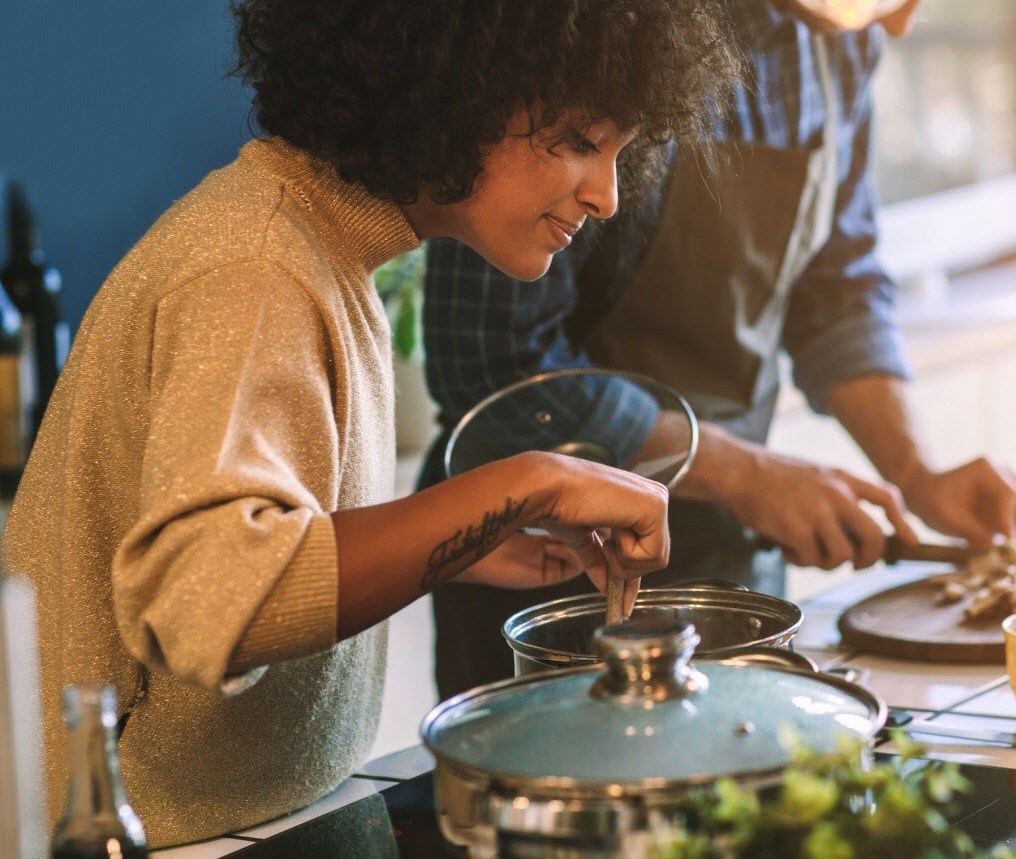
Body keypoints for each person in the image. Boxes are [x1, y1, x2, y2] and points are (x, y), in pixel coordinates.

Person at [2, 0, 737, 846]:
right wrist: (529, 477)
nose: (606, 195)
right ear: (455, 89)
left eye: (621, 152)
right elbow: (209, 602)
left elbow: (279, 537)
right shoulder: (254, 264)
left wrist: (462, 538)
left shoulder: (320, 249)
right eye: (576, 141)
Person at [418, 0, 1016, 697]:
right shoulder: (590, 31)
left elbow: (836, 285)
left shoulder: (841, 43)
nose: (898, 25)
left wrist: (916, 471)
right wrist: (745, 476)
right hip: (548, 580)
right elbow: (492, 365)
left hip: (729, 559)